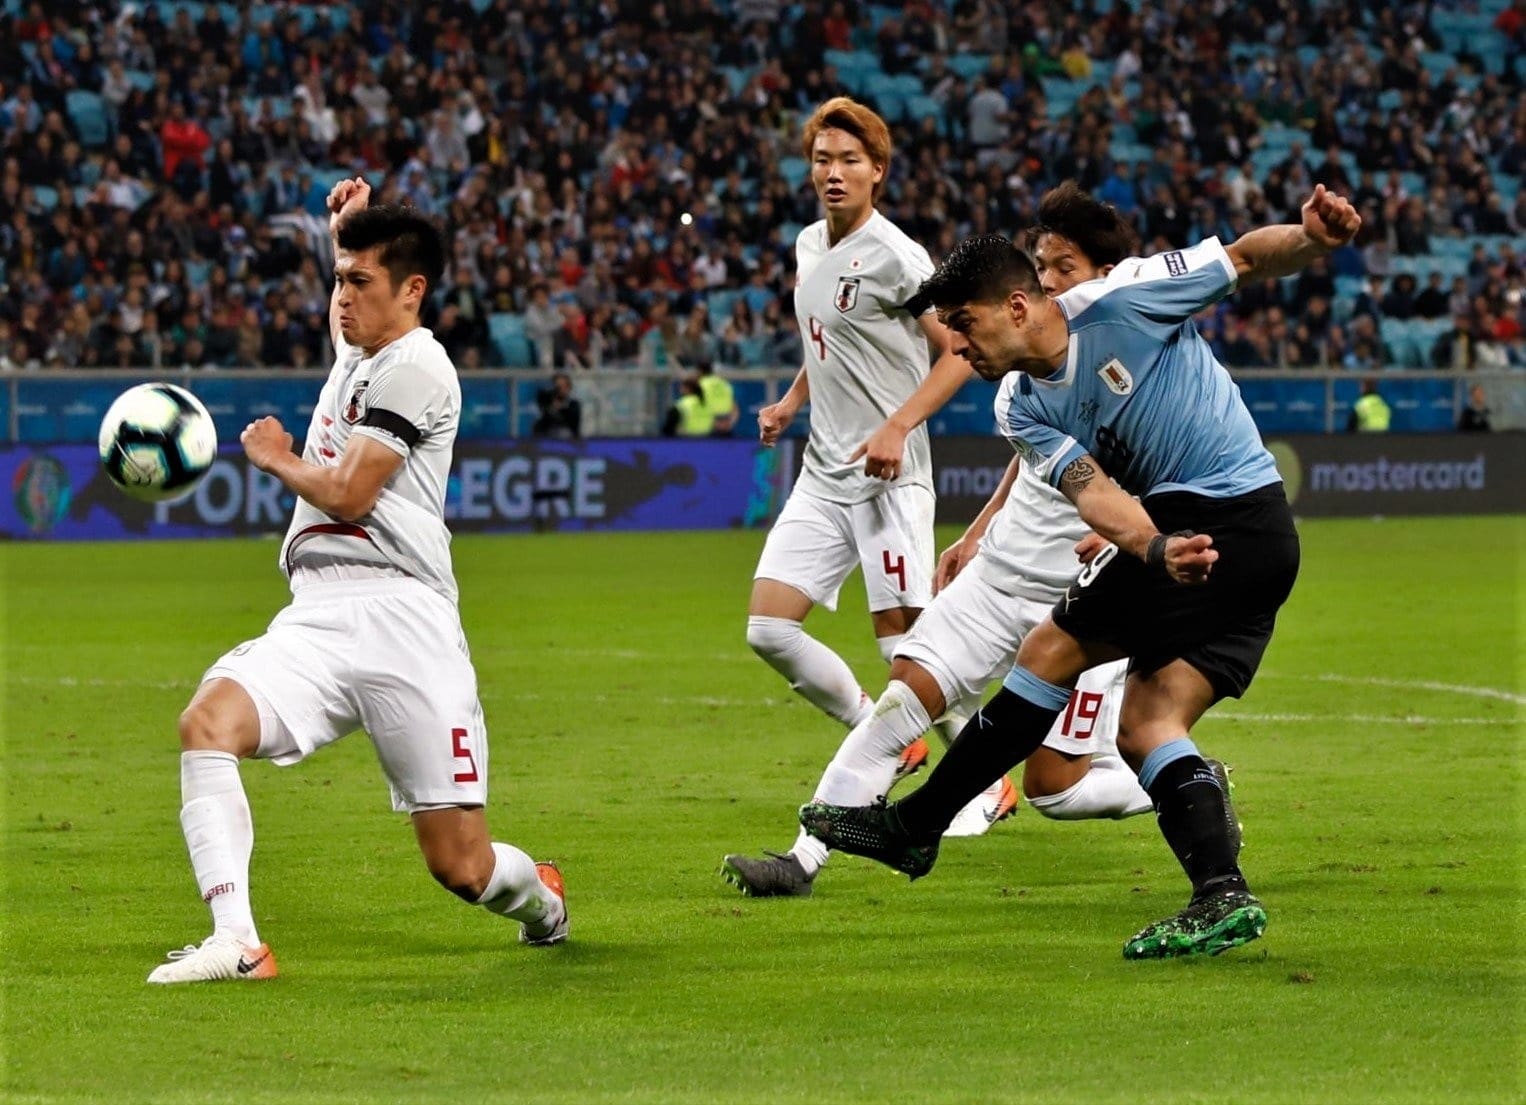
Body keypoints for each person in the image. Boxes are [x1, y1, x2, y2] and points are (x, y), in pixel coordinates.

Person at [801, 184, 1361, 960]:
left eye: (966, 326)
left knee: (1049, 651)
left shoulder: (1125, 299)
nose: (958, 349)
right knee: (1146, 724)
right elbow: (1092, 492)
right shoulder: (1019, 405)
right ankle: (1221, 895)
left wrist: (1311, 239)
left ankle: (915, 825)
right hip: (1212, 542)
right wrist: (1154, 547)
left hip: (1233, 516)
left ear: (1019, 305)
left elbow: (1243, 257)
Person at [722, 182, 1236, 897]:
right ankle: (803, 857)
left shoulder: (1146, 349)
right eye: (1041, 264)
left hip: (1089, 608)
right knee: (901, 699)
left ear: (1104, 274)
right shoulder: (1030, 367)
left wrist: (1129, 539)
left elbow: (1177, 470)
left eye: (1063, 265)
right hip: (1001, 577)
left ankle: (1189, 785)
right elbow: (1035, 457)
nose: (1047, 279)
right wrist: (979, 528)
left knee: (1054, 788)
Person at [146, 180, 568, 984]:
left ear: (413, 291)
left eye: (358, 282)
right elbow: (354, 300)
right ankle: (237, 941)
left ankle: (541, 899)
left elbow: (347, 491)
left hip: (405, 618)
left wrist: (275, 455)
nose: (340, 297)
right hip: (317, 610)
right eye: (338, 279)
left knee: (461, 866)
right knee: (207, 724)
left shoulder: (420, 368)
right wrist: (345, 231)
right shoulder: (363, 348)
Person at [747, 96, 971, 763]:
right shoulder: (809, 243)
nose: (833, 172)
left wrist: (899, 426)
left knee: (903, 643)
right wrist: (791, 400)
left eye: (849, 159)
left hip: (888, 478)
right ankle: (881, 735)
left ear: (878, 170)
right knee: (768, 628)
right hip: (824, 473)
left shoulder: (898, 256)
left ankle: (981, 777)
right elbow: (828, 339)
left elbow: (959, 348)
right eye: (822, 159)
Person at [533, 370, 582, 439]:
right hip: (547, 431)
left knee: (563, 433)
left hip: (566, 435)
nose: (560, 390)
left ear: (569, 388)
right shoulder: (548, 399)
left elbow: (573, 422)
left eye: (563, 386)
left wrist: (561, 408)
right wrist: (552, 405)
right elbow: (542, 407)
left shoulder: (573, 404)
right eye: (557, 387)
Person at [696, 361, 739, 436]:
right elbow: (734, 407)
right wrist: (729, 424)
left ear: (699, 371)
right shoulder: (725, 384)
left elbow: (697, 407)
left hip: (709, 429)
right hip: (726, 426)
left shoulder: (700, 385)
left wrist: (715, 424)